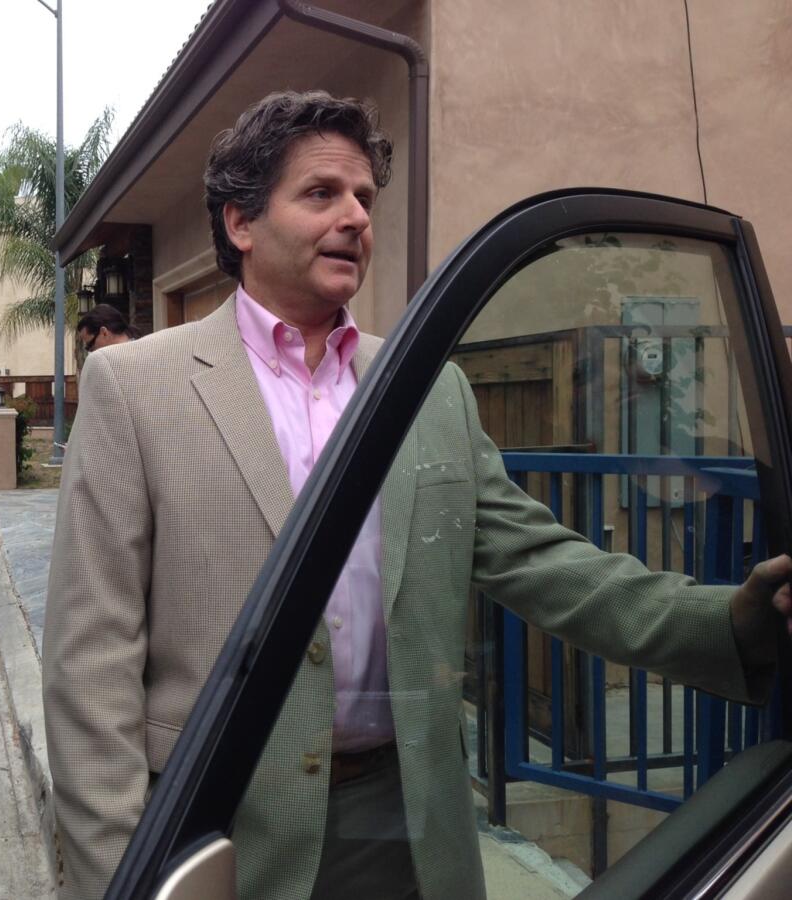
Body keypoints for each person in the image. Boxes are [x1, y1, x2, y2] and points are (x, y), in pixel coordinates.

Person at [42, 90, 792, 899]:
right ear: (240, 224)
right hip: (221, 835)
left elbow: (548, 565)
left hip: (405, 826)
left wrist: (732, 621)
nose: (357, 216)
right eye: (322, 194)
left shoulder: (429, 389)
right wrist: (127, 878)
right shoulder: (135, 388)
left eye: (365, 197)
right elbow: (91, 671)